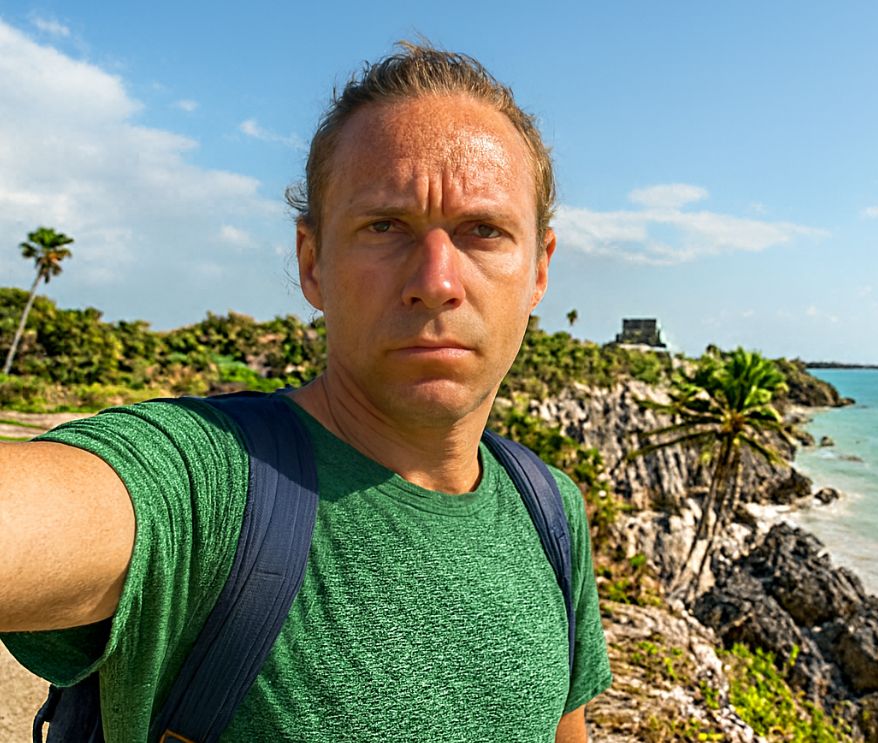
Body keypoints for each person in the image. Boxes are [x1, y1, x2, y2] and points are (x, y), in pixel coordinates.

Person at [0, 41, 612, 742]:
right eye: (385, 226)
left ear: (539, 269)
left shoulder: (549, 510)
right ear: (312, 262)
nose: (437, 279)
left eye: (484, 230)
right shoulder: (213, 484)